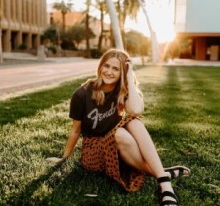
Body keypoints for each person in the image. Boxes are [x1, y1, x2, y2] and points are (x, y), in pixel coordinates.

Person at [47, 49, 190, 205]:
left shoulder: (121, 91)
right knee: (121, 134)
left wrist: (129, 78)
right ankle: (162, 175)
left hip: (117, 143)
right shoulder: (82, 93)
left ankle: (164, 184)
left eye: (116, 69)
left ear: (122, 72)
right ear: (100, 66)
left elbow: (136, 110)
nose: (109, 72)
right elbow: (76, 130)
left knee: (133, 121)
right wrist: (64, 157)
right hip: (94, 151)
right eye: (106, 66)